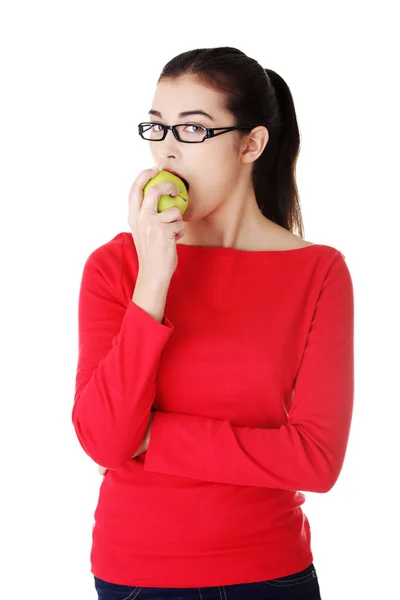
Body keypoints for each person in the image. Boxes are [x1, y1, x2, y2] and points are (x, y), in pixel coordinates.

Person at [72, 46, 354, 599]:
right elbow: (104, 441)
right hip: (134, 575)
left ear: (251, 143)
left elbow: (317, 461)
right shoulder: (116, 266)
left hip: (271, 573)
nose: (167, 152)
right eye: (156, 128)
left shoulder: (317, 272)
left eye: (193, 130)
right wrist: (153, 279)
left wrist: (150, 436)